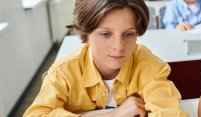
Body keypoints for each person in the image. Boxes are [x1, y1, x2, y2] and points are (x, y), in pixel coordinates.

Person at [24, 0, 188, 116]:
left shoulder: (147, 64)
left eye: (128, 34)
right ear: (85, 34)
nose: (119, 46)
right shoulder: (63, 73)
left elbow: (167, 110)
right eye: (106, 34)